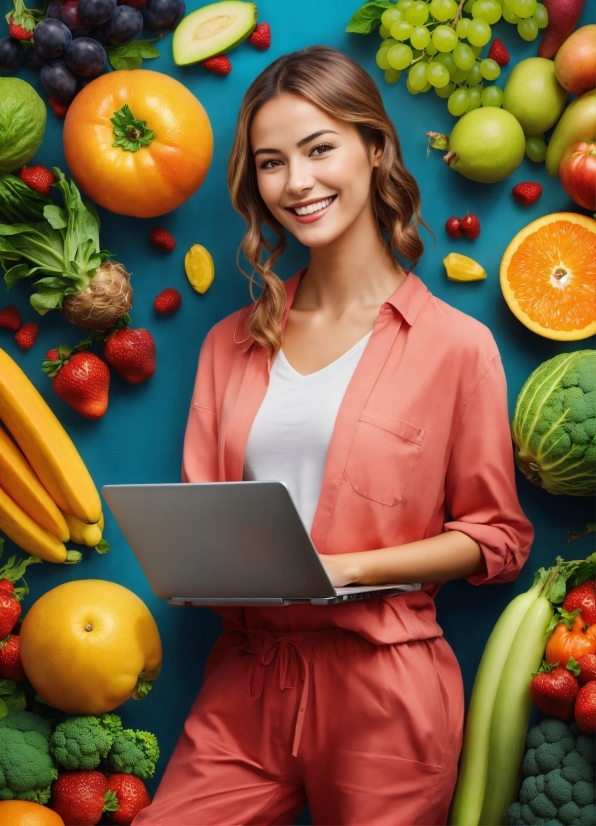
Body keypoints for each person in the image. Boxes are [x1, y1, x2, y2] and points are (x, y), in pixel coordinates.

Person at [133, 45, 534, 826]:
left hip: (385, 682)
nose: (299, 183)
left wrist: (344, 567)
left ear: (375, 148)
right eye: (272, 162)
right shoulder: (230, 344)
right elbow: (206, 515)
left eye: (321, 149)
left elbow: (497, 538)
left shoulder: (456, 346)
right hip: (248, 677)